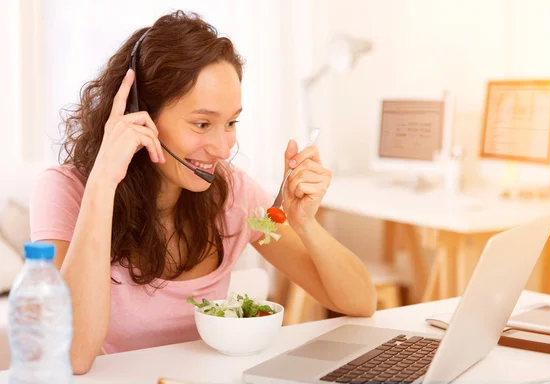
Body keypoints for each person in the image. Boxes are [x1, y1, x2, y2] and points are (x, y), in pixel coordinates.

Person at [29, 10, 377, 374]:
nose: (223, 148)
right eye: (201, 124)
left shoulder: (231, 193)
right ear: (140, 114)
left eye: (230, 123)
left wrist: (305, 224)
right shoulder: (66, 189)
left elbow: (359, 302)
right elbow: (72, 356)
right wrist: (103, 183)